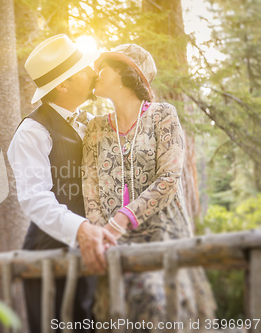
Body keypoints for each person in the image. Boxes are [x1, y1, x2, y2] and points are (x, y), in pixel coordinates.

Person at [82, 44, 216, 331]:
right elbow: (90, 187)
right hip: (113, 240)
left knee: (160, 307)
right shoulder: (95, 128)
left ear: (123, 74)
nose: (95, 73)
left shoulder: (162, 115)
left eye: (103, 67)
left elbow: (169, 177)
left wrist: (122, 219)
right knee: (119, 316)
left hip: (162, 232)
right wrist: (99, 232)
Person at [7, 34, 116, 333]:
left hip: (92, 253)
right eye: (84, 68)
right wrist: (80, 229)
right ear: (62, 85)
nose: (93, 71)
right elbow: (34, 199)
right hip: (49, 258)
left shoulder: (92, 122)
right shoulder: (32, 132)